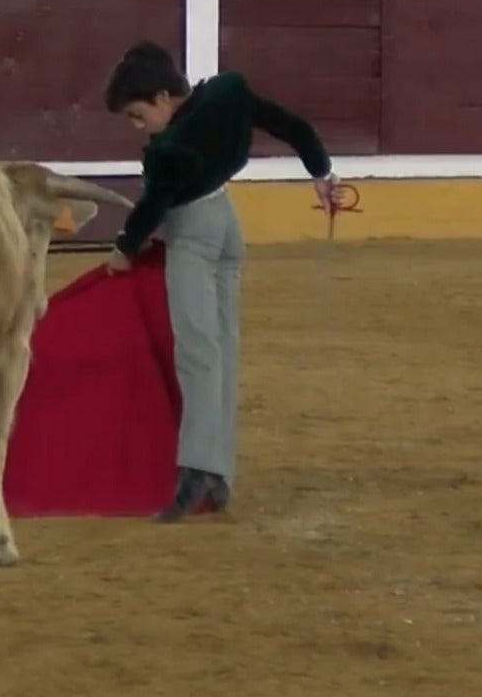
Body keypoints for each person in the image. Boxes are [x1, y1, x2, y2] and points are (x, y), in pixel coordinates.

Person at [102, 42, 340, 522]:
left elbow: (154, 206)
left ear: (165, 95)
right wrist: (322, 171)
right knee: (222, 351)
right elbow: (294, 127)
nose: (138, 126)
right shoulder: (228, 93)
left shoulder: (168, 150)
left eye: (137, 114)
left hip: (194, 234)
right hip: (229, 226)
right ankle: (219, 473)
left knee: (197, 355)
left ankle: (196, 473)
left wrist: (124, 249)